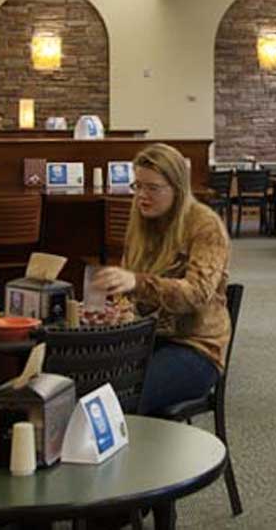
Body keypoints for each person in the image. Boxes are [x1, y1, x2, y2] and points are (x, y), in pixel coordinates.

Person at [92, 143, 231, 415]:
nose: (142, 196)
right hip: (149, 339)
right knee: (87, 383)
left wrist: (136, 283)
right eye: (138, 186)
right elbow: (131, 290)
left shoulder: (205, 225)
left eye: (152, 188)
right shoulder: (141, 223)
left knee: (119, 398)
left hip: (195, 348)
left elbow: (196, 293)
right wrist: (118, 306)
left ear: (177, 189)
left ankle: (137, 454)